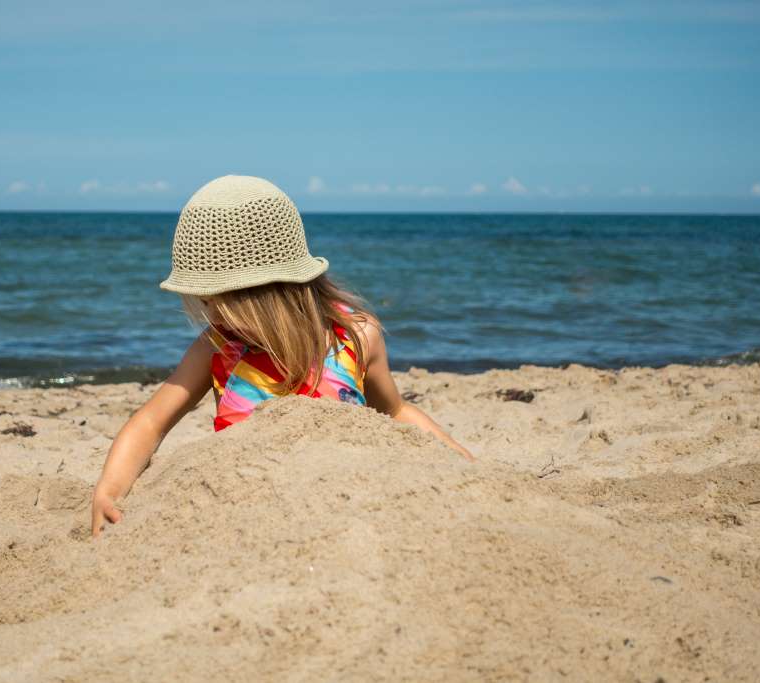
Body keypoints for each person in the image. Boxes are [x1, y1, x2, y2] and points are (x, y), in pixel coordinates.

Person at [90, 175, 474, 537]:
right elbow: (151, 422)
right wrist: (110, 488)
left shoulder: (356, 336)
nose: (210, 314)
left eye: (213, 301)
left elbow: (394, 412)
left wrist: (458, 459)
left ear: (260, 296)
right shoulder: (217, 347)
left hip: (351, 508)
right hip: (247, 515)